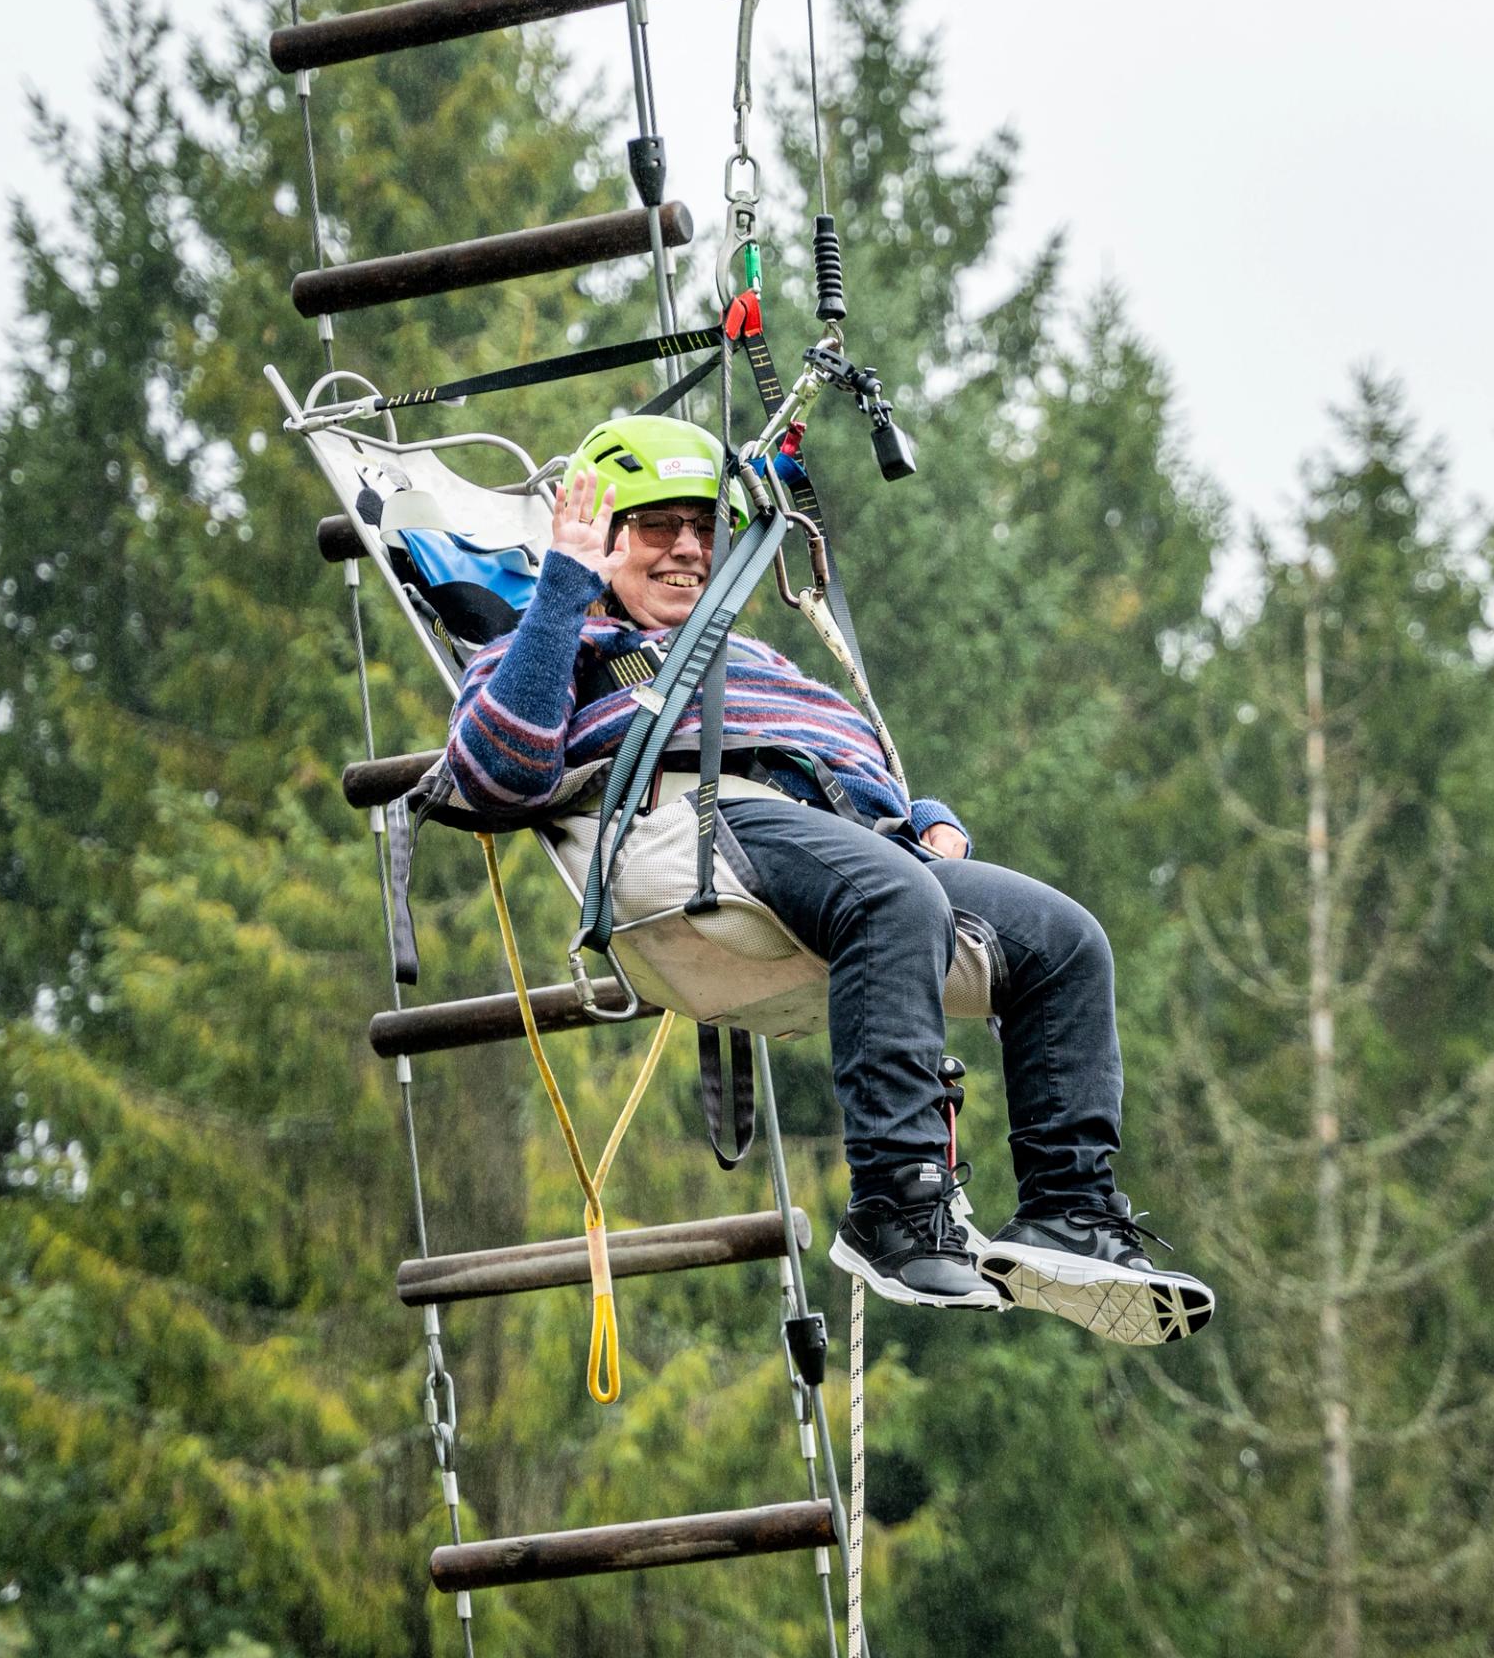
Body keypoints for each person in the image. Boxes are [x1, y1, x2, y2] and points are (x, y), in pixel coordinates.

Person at [442, 413, 1211, 1347]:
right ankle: (895, 1205)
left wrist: (916, 815)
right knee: (897, 896)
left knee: (1065, 943)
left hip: (844, 851)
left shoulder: (753, 659)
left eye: (702, 526)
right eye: (655, 527)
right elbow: (492, 773)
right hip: (691, 833)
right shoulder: (563, 644)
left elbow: (846, 761)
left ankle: (1069, 1210)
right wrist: (561, 590)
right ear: (601, 541)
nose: (688, 546)